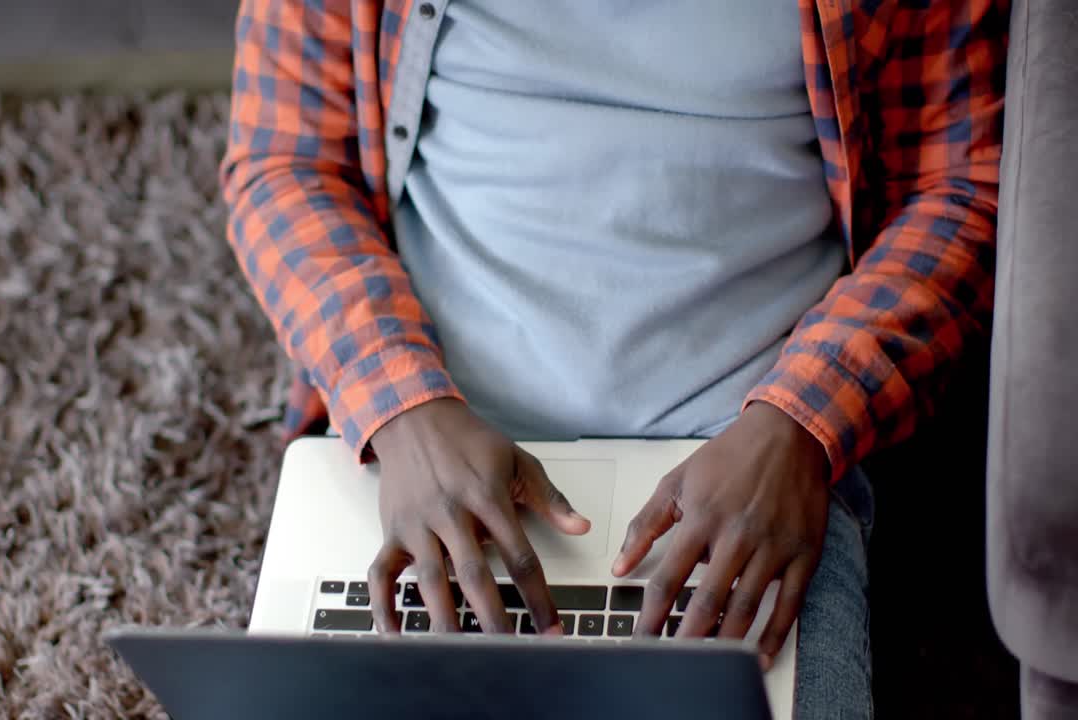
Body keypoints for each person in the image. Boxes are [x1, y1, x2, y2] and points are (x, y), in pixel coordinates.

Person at [223, 1, 1008, 716]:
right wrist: (400, 407)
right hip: (430, 452)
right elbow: (284, 164)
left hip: (747, 466)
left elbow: (965, 185)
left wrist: (800, 424)